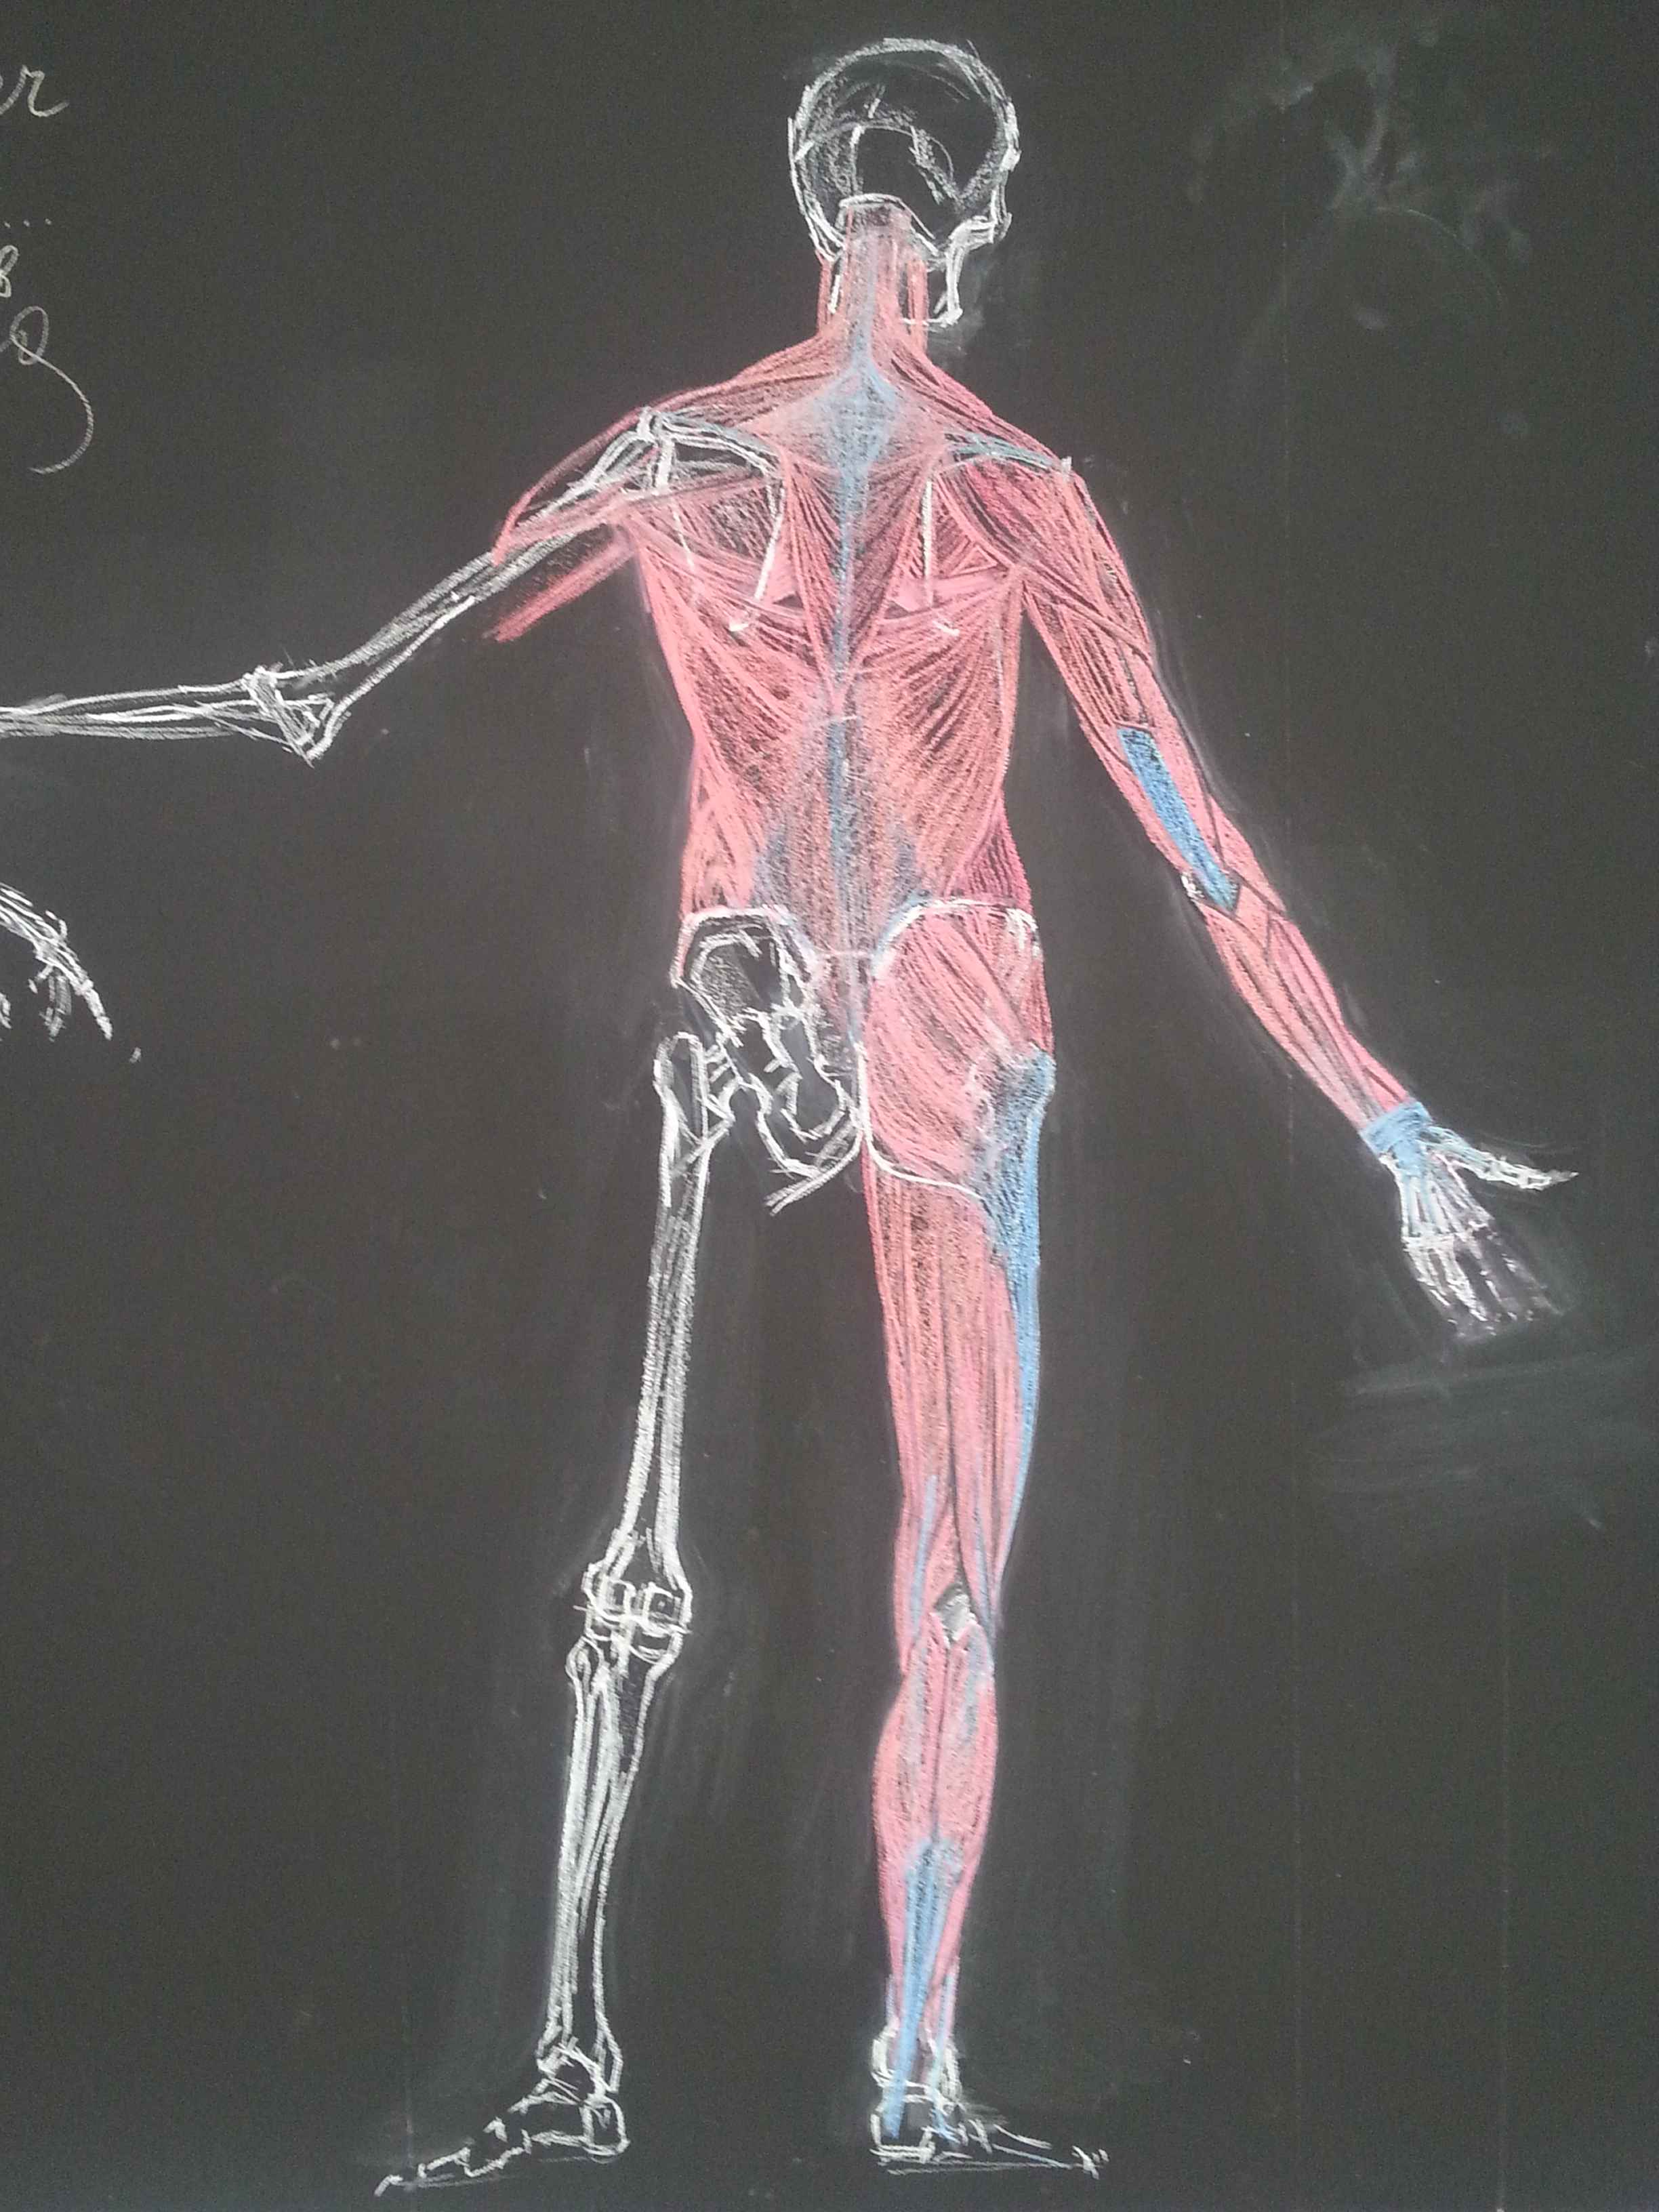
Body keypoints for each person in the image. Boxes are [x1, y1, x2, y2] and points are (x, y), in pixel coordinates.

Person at [0, 38, 1565, 2182]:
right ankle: (915, 2079)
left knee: (637, 1549)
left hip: (740, 984)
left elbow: (327, 705)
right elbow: (1206, 854)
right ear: (977, 224)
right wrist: (1388, 1127)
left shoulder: (672, 455)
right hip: (949, 997)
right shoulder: (1015, 490)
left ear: (812, 199)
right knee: (951, 1582)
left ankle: (571, 2062)